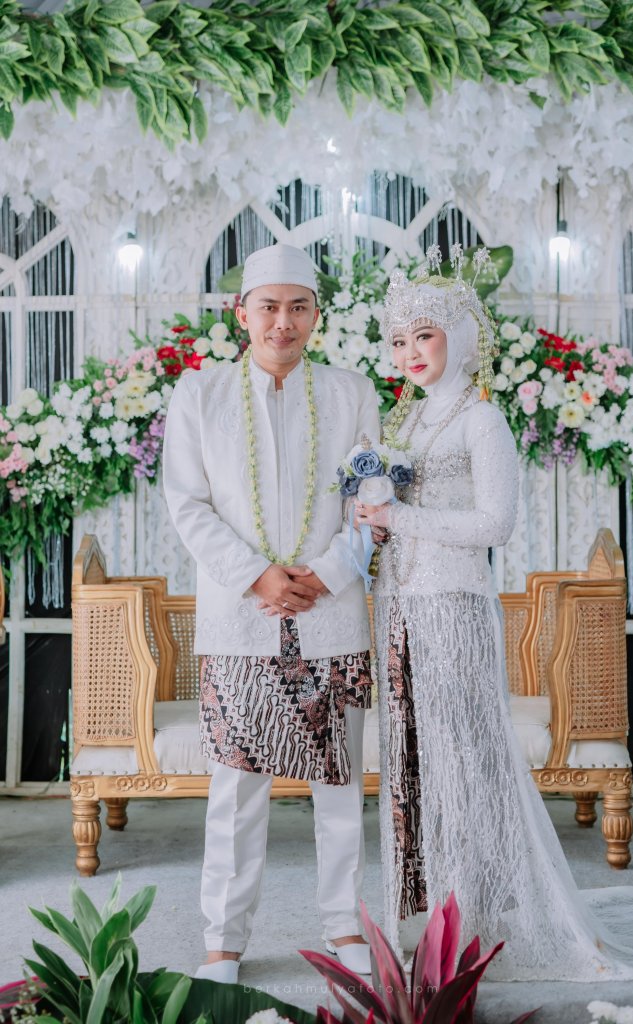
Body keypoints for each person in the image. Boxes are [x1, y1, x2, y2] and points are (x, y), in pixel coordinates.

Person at [357, 246, 633, 981]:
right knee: (416, 759)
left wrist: (399, 517)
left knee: (465, 759)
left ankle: (478, 911)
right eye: (399, 340)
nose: (410, 353)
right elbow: (404, 512)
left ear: (457, 336)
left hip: (454, 605)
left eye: (424, 336)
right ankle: (433, 913)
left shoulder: (482, 420)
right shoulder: (408, 420)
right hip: (400, 606)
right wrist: (374, 520)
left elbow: (494, 524)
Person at [164, 242, 380, 982]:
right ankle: (222, 941)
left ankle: (344, 927)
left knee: (339, 782)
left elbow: (371, 502)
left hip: (331, 614)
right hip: (239, 620)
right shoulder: (200, 394)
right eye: (268, 307)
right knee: (235, 788)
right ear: (241, 313)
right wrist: (257, 576)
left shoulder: (352, 393)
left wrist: (326, 575)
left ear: (316, 315)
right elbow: (187, 504)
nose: (282, 322)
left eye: (297, 307)